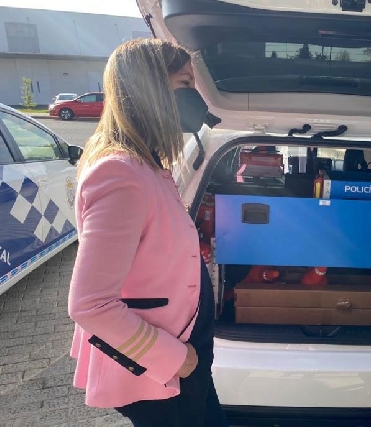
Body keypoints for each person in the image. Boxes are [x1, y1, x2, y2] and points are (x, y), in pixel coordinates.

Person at [67, 38, 228, 427]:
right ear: (151, 88)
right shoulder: (120, 173)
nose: (194, 96)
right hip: (164, 370)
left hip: (184, 354)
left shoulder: (148, 165)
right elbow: (90, 305)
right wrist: (177, 359)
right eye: (186, 83)